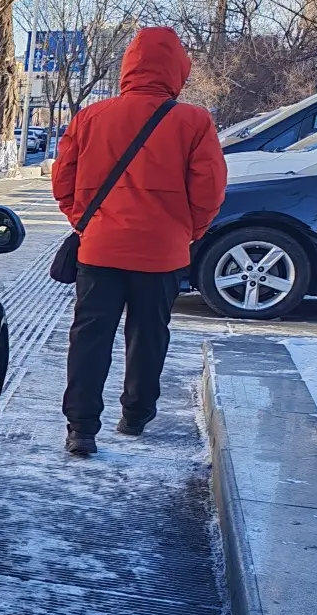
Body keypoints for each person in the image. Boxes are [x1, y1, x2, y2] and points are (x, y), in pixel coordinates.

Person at [51, 26, 227, 457]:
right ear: (177, 70)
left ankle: (81, 428)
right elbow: (209, 190)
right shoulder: (194, 122)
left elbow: (63, 179)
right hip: (162, 254)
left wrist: (84, 221)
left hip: (100, 249)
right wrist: (189, 232)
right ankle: (135, 415)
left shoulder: (91, 116)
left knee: (90, 336)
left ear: (128, 66)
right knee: (149, 335)